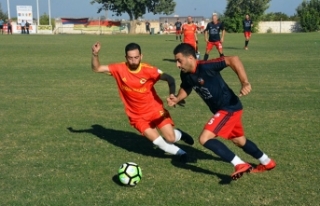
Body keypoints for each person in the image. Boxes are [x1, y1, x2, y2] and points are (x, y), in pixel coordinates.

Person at [168, 43, 276, 180]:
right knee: (239, 140)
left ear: (190, 58)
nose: (177, 65)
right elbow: (186, 87)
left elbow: (233, 59)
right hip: (222, 110)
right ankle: (267, 162)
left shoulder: (206, 66)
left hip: (229, 107)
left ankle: (239, 164)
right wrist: (177, 99)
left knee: (204, 138)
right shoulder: (185, 74)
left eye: (179, 60)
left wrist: (245, 83)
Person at [91, 42, 194, 163]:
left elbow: (169, 78)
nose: (133, 61)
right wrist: (95, 54)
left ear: (141, 56)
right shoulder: (119, 69)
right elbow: (97, 68)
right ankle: (182, 154)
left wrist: (172, 94)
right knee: (157, 141)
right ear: (126, 58)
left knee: (170, 138)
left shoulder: (149, 70)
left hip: (155, 109)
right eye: (130, 58)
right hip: (136, 116)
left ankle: (180, 134)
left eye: (136, 57)